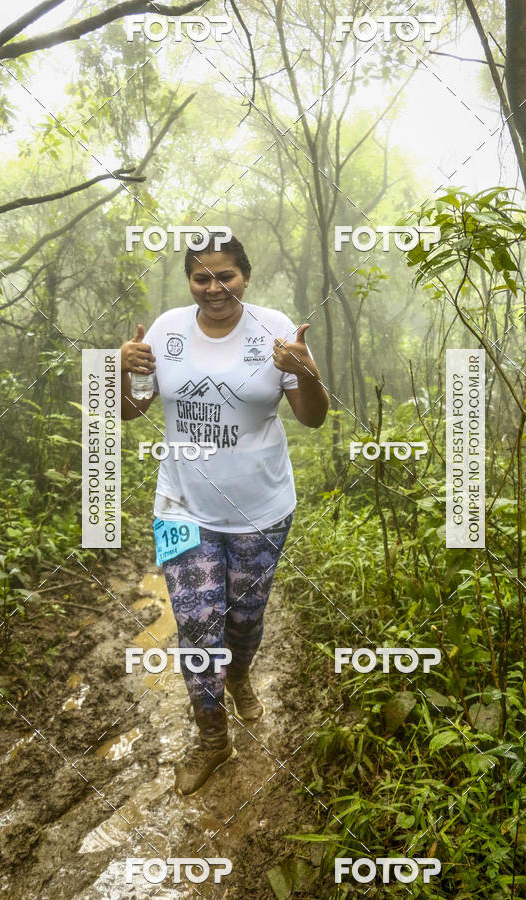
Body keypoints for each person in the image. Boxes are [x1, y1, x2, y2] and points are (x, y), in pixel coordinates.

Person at [119, 234, 329, 795]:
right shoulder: (166, 330)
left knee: (244, 621)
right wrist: (122, 369)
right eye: (201, 277)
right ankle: (212, 739)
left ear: (246, 276)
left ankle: (239, 676)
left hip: (262, 509)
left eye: (225, 276)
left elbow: (312, 419)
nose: (213, 288)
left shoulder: (273, 329)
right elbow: (132, 411)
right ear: (189, 281)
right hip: (181, 506)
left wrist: (307, 371)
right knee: (196, 627)